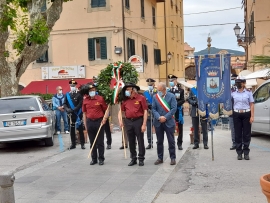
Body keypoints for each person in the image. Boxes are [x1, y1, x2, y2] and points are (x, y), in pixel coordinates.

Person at [118, 83, 148, 166]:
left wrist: (144, 124)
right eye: (126, 90)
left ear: (133, 90)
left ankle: (141, 158)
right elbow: (121, 111)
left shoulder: (141, 98)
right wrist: (120, 120)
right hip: (128, 121)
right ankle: (133, 158)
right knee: (131, 141)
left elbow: (145, 111)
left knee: (140, 140)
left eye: (128, 89)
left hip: (138, 121)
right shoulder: (125, 100)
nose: (127, 91)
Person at [82, 83, 108, 165]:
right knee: (92, 142)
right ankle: (94, 159)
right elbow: (84, 113)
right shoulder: (85, 100)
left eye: (93, 90)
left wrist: (105, 119)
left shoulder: (100, 99)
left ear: (95, 90)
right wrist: (85, 124)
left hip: (99, 122)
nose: (92, 92)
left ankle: (101, 158)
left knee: (100, 141)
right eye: (90, 91)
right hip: (90, 122)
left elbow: (106, 110)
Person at [152, 82, 177, 165]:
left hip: (169, 122)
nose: (158, 91)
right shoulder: (155, 97)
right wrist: (159, 117)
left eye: (160, 90)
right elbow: (153, 109)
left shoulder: (172, 96)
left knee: (171, 141)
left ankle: (173, 158)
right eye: (157, 90)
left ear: (164, 89)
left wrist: (165, 117)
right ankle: (160, 158)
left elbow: (174, 109)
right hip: (158, 122)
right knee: (159, 141)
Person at [231, 78, 254, 160]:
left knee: (246, 134)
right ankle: (239, 153)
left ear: (244, 83)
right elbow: (230, 102)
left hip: (246, 114)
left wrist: (252, 116)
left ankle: (246, 152)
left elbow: (251, 104)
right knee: (237, 134)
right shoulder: (233, 93)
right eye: (237, 83)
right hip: (237, 114)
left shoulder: (248, 92)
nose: (238, 84)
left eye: (239, 83)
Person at [63, 79, 85, 150]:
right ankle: (73, 144)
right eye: (71, 86)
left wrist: (73, 109)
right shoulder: (67, 95)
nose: (72, 87)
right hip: (70, 115)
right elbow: (64, 103)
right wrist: (67, 109)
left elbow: (80, 104)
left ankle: (82, 144)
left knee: (80, 129)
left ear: (75, 86)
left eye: (73, 85)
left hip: (77, 114)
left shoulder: (79, 94)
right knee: (71, 129)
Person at [93, 76, 112, 150]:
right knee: (98, 130)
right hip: (96, 112)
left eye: (96, 80)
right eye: (94, 80)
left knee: (107, 128)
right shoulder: (92, 90)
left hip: (104, 112)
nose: (95, 82)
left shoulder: (103, 90)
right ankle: (98, 143)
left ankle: (109, 143)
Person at [168, 74, 185, 150]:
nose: (171, 82)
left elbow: (182, 100)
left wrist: (175, 105)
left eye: (172, 80)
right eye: (169, 81)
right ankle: (171, 144)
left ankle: (179, 143)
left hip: (178, 111)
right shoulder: (168, 91)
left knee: (180, 128)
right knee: (170, 128)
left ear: (175, 81)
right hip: (170, 112)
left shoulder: (180, 90)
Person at [144, 78, 157, 149]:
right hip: (149, 112)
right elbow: (143, 102)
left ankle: (158, 141)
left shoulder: (157, 92)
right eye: (149, 85)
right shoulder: (145, 93)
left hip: (156, 113)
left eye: (151, 84)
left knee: (158, 127)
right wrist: (147, 105)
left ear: (154, 84)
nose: (150, 86)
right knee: (149, 129)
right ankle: (150, 142)